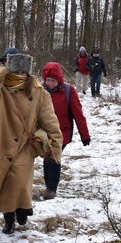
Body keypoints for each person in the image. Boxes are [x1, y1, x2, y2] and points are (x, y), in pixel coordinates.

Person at [0, 53, 62, 234]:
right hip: (0, 144)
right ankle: (9, 219)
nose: (20, 74)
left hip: (24, 147)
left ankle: (22, 210)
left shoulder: (38, 92)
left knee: (17, 182)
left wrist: (55, 149)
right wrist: (3, 69)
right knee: (4, 185)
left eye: (23, 70)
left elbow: (50, 121)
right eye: (16, 69)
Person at [41, 62, 91, 199]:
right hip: (44, 132)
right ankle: (48, 184)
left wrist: (84, 135)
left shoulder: (68, 91)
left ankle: (51, 188)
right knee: (46, 157)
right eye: (48, 80)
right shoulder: (40, 91)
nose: (50, 83)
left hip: (62, 133)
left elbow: (78, 114)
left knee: (54, 157)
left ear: (59, 80)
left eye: (53, 80)